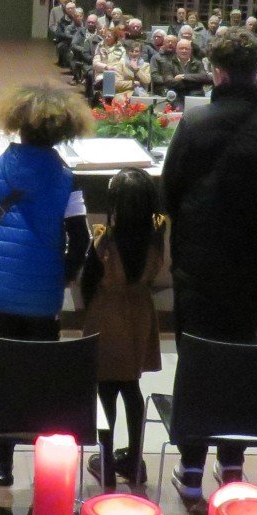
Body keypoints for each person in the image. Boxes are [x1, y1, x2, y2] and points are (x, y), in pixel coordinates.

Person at [160, 27, 257, 498]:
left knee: (198, 364)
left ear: (217, 73)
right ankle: (234, 465)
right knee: (242, 364)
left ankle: (193, 470)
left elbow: (168, 191)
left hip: (199, 268)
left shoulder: (196, 123)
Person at [0, 85, 94, 486]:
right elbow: (80, 239)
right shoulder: (67, 177)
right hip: (42, 297)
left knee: (2, 374)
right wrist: (64, 275)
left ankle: (2, 460)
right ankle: (44, 456)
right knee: (37, 375)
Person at [78, 169, 167, 490]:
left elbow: (87, 279)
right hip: (140, 312)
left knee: (105, 390)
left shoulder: (104, 235)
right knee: (131, 387)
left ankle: (105, 459)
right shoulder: (157, 230)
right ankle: (135, 459)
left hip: (107, 311)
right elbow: (159, 217)